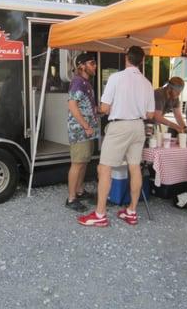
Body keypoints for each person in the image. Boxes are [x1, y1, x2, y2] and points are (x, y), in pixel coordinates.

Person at [78, 46, 154, 227]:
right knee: (134, 168)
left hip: (119, 126)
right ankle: (131, 212)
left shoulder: (116, 78)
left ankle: (100, 214)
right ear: (141, 61)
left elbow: (104, 108)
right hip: (138, 126)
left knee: (104, 169)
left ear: (126, 58)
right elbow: (150, 114)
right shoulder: (147, 82)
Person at [65, 52, 99, 212]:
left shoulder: (85, 83)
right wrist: (86, 125)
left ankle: (79, 190)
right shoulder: (78, 82)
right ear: (81, 65)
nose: (95, 66)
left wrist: (100, 110)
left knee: (84, 162)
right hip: (80, 131)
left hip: (87, 130)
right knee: (77, 163)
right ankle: (71, 198)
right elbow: (72, 105)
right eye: (92, 63)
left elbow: (85, 106)